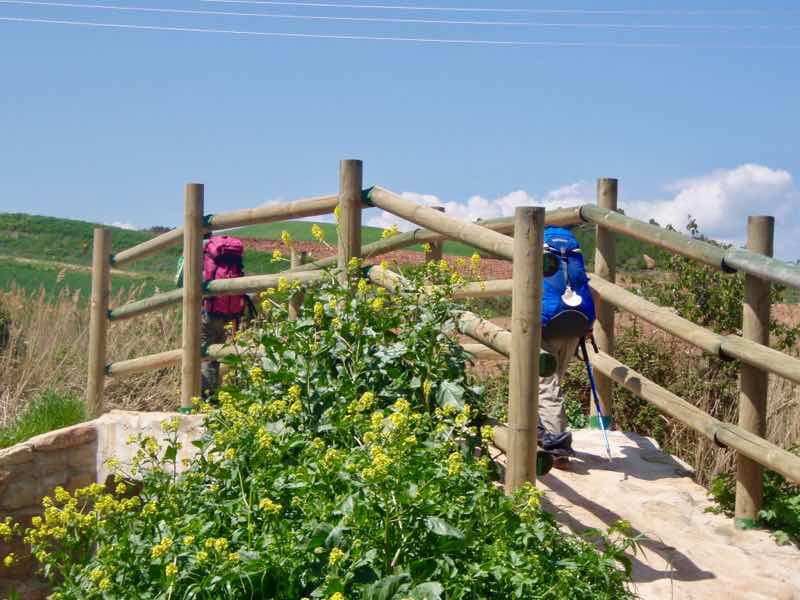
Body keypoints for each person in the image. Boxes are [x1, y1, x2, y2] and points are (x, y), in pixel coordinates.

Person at [538, 226, 596, 468]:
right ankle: (542, 431)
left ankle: (557, 445)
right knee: (554, 384)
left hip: (547, 326)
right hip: (575, 324)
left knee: (545, 386)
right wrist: (589, 326)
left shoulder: (539, 252)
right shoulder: (572, 255)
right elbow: (587, 289)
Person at [176, 234, 252, 398]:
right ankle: (213, 395)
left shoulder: (195, 248)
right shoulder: (220, 248)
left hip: (205, 310)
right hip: (228, 312)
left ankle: (202, 398)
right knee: (215, 355)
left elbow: (180, 281)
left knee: (202, 354)